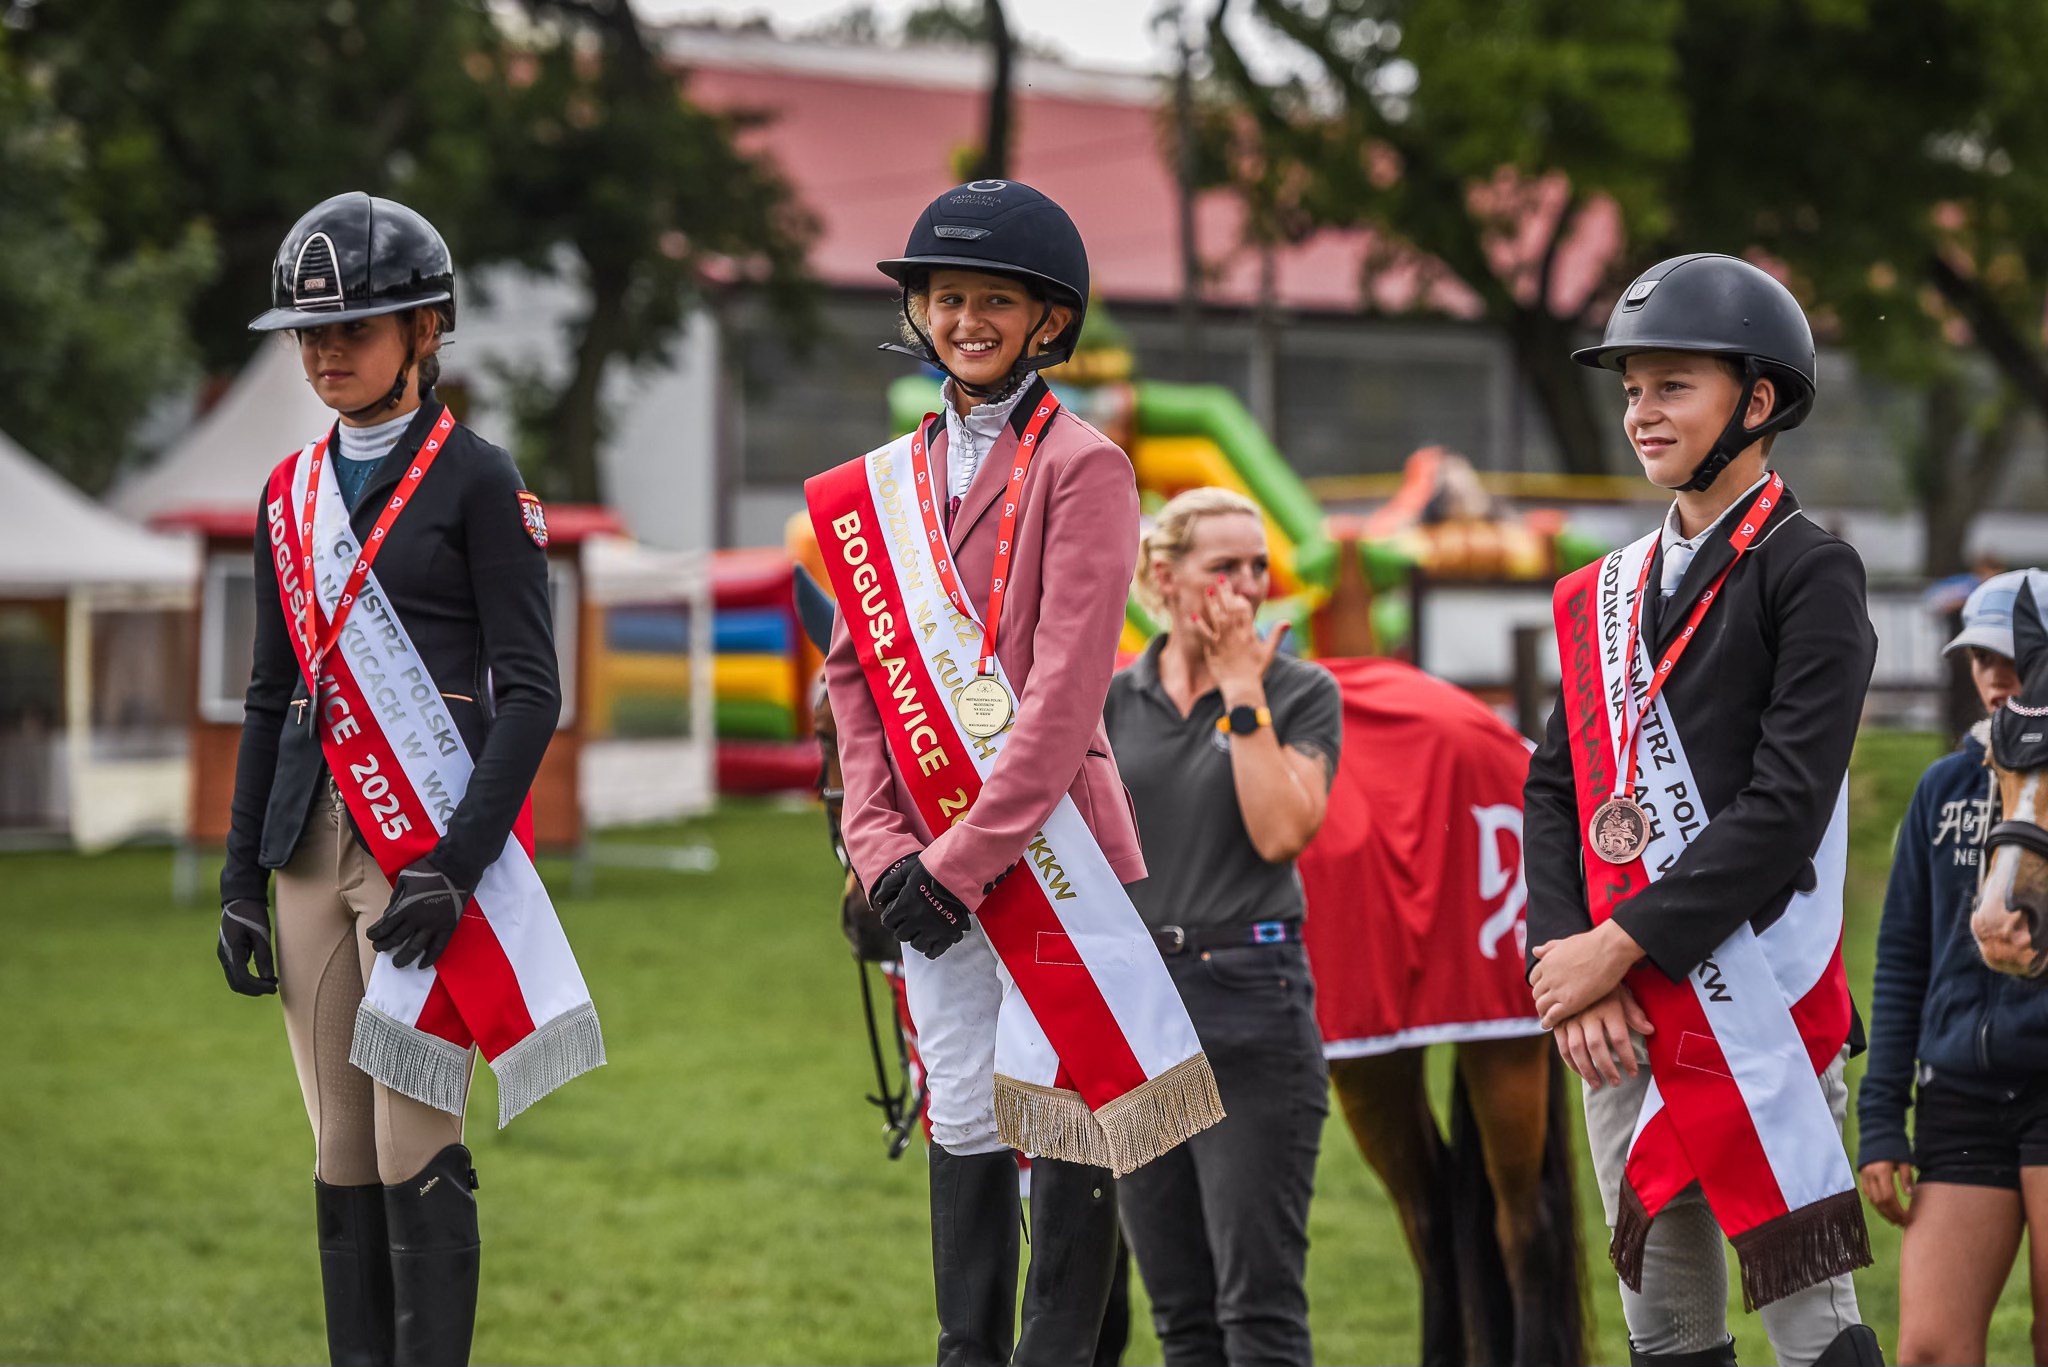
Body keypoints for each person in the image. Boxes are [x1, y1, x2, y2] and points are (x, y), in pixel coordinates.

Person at [809, 179, 1223, 1367]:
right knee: (958, 1102)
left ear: (1048, 320)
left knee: (1066, 1105)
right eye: (947, 298)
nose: (966, 320)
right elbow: (852, 681)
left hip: (1048, 848)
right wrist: (881, 850)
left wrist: (960, 861)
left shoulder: (1086, 468)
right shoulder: (879, 485)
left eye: (994, 300)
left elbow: (1062, 693)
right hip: (920, 864)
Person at [216, 192, 601, 1366]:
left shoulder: (479, 479)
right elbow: (269, 694)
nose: (324, 352)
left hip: (423, 853)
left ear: (426, 329)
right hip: (305, 849)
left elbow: (530, 692)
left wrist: (455, 864)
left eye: (355, 327)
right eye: (309, 331)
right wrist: (238, 878)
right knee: (338, 1145)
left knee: (409, 1141)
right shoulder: (286, 494)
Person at [1522, 253, 1884, 1367]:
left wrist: (1615, 945)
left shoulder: (1810, 571)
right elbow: (1554, 786)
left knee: (1810, 1322)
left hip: (1755, 997)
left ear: (1757, 400)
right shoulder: (1605, 590)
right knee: (1666, 1328)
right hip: (1618, 1015)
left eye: (1672, 385)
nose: (1641, 411)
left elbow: (1782, 807)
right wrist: (1566, 962)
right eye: (1632, 388)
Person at [1103, 487, 1340, 1366]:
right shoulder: (1107, 700)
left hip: (1251, 1000)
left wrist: (1244, 687)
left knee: (1258, 1311)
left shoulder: (1300, 689)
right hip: (1138, 1009)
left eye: (1258, 566)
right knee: (1181, 1316)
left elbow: (1281, 831)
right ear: (1163, 577)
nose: (1246, 586)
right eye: (1223, 567)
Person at [1858, 569, 2048, 1366]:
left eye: (2013, 658)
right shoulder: (1941, 785)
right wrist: (1880, 1115)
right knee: (1930, 1351)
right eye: (1979, 658)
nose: (1995, 676)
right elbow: (1902, 953)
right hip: (1959, 1098)